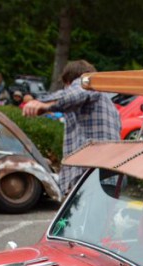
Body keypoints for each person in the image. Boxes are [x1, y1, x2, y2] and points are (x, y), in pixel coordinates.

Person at [22, 59, 120, 194]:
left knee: (88, 213)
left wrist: (43, 103)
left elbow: (76, 93)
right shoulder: (109, 103)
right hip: (110, 171)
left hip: (91, 171)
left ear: (69, 82)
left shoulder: (87, 82)